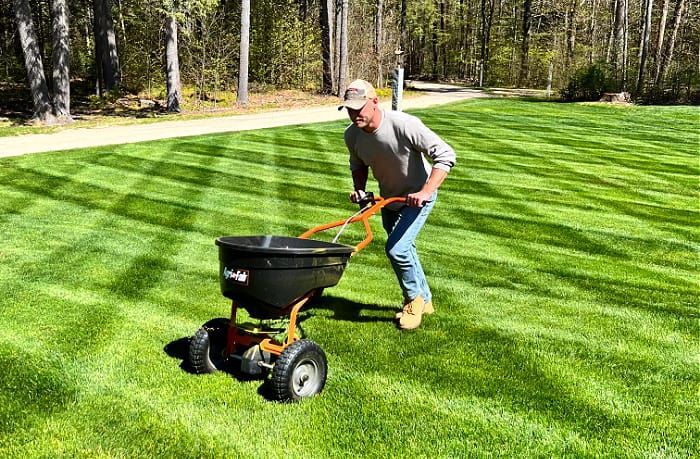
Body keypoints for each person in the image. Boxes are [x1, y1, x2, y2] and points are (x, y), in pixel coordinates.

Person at [338, 79, 456, 330]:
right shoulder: (352, 135)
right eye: (349, 108)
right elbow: (358, 164)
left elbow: (445, 155)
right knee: (404, 248)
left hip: (417, 197)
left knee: (397, 249)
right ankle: (426, 300)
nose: (353, 113)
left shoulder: (403, 124)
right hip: (389, 200)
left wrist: (425, 191)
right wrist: (360, 191)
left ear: (374, 102)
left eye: (358, 107)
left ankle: (412, 301)